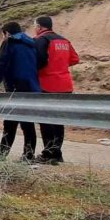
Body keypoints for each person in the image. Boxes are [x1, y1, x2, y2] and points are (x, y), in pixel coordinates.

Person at [0, 22, 41, 161]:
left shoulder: (9, 42)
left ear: (7, 33)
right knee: (27, 122)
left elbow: (1, 64)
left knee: (10, 121)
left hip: (15, 86)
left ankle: (1, 153)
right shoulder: (31, 44)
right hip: (31, 86)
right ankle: (28, 155)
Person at [34, 16, 80, 164]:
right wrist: (60, 66)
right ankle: (57, 154)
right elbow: (74, 59)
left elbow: (39, 60)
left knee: (46, 121)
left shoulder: (41, 40)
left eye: (35, 26)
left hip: (47, 84)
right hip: (65, 85)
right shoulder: (64, 40)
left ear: (40, 27)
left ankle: (48, 154)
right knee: (58, 121)